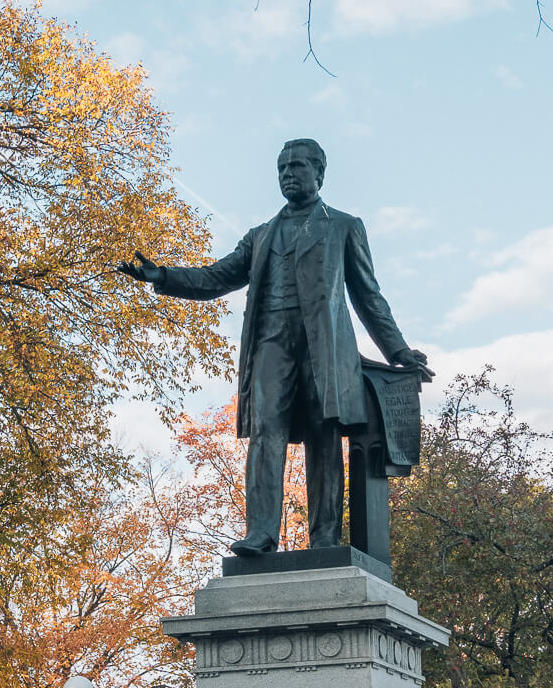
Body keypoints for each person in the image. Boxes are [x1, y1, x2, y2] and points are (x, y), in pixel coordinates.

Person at [119, 139, 428, 557]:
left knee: (324, 435)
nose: (287, 174)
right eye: (282, 167)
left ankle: (324, 537)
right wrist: (164, 276)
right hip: (271, 343)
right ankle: (261, 534)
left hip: (325, 348)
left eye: (297, 166)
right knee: (265, 432)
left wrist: (399, 352)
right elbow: (216, 278)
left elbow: (368, 296)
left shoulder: (343, 226)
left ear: (319, 173)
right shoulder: (261, 235)